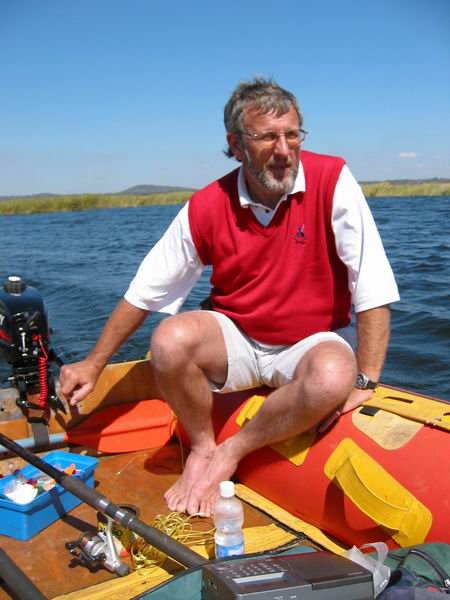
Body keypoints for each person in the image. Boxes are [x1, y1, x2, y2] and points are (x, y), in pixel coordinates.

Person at [60, 77, 399, 518]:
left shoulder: (332, 179)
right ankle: (202, 447)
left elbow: (371, 279)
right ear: (236, 144)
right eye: (267, 137)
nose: (284, 150)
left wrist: (366, 378)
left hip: (311, 341)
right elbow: (145, 291)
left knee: (334, 376)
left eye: (292, 134)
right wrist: (94, 363)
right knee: (169, 339)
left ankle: (231, 451)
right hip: (238, 339)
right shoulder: (207, 204)